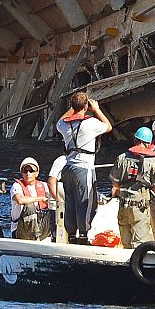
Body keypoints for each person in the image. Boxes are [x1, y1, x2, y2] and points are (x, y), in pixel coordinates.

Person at [55, 90, 112, 243]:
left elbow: (60, 120)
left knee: (71, 202)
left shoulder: (64, 125)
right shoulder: (91, 123)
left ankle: (72, 235)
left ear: (72, 107)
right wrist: (97, 109)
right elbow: (108, 127)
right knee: (86, 202)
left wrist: (73, 108)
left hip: (68, 168)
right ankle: (84, 236)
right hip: (84, 168)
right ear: (86, 106)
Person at [110, 126, 155, 248]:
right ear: (149, 143)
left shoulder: (121, 158)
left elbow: (115, 184)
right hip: (140, 208)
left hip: (123, 206)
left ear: (135, 140)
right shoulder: (154, 161)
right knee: (140, 245)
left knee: (126, 243)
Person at [9, 157, 52, 241]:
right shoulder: (16, 186)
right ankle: (35, 238)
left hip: (41, 227)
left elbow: (55, 199)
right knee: (29, 206)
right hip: (21, 230)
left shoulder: (44, 185)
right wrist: (41, 198)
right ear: (22, 173)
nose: (28, 173)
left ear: (37, 173)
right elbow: (20, 200)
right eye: (25, 171)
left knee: (56, 206)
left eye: (31, 171)